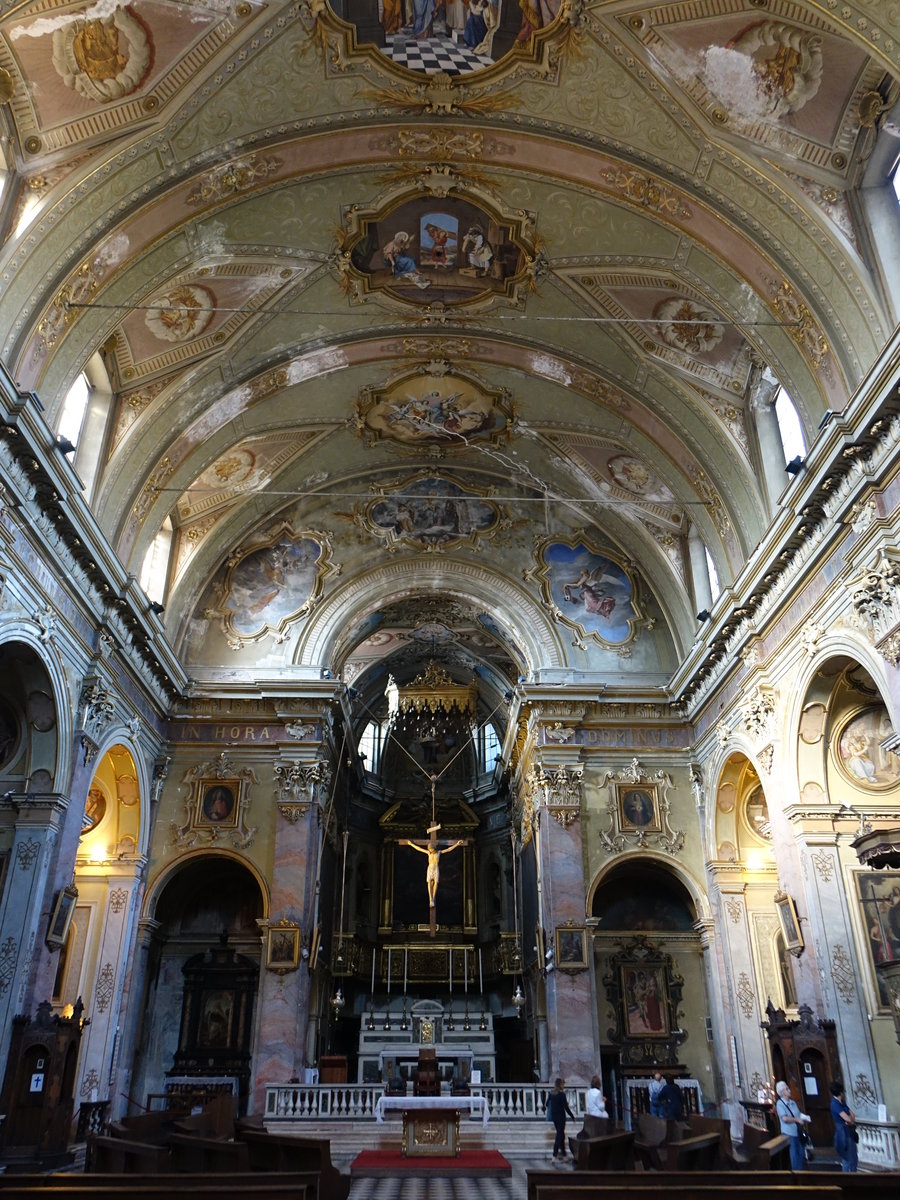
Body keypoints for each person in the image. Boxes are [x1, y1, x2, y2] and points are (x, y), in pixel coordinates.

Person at [775, 1080, 811, 1171]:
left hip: (797, 1132)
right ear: (782, 1092)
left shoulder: (793, 1102)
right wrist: (797, 1120)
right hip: (789, 1133)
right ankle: (796, 1174)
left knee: (801, 1153)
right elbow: (785, 1119)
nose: (790, 1090)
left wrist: (804, 1118)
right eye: (787, 1089)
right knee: (794, 1155)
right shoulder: (780, 1104)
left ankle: (802, 1172)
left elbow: (798, 1114)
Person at [829, 1081, 858, 1172]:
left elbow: (852, 1116)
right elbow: (848, 1118)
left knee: (854, 1157)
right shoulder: (835, 1104)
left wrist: (850, 1120)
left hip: (849, 1131)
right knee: (847, 1158)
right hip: (843, 1133)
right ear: (840, 1092)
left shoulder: (842, 1102)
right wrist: (850, 1120)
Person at [547, 1077, 575, 1162]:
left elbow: (546, 1104)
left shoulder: (551, 1094)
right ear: (560, 1085)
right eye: (563, 1084)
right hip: (561, 1118)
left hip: (554, 1117)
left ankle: (564, 1155)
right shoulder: (562, 1095)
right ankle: (554, 1155)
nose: (564, 1086)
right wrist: (572, 1116)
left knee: (561, 1135)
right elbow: (566, 1107)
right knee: (559, 1136)